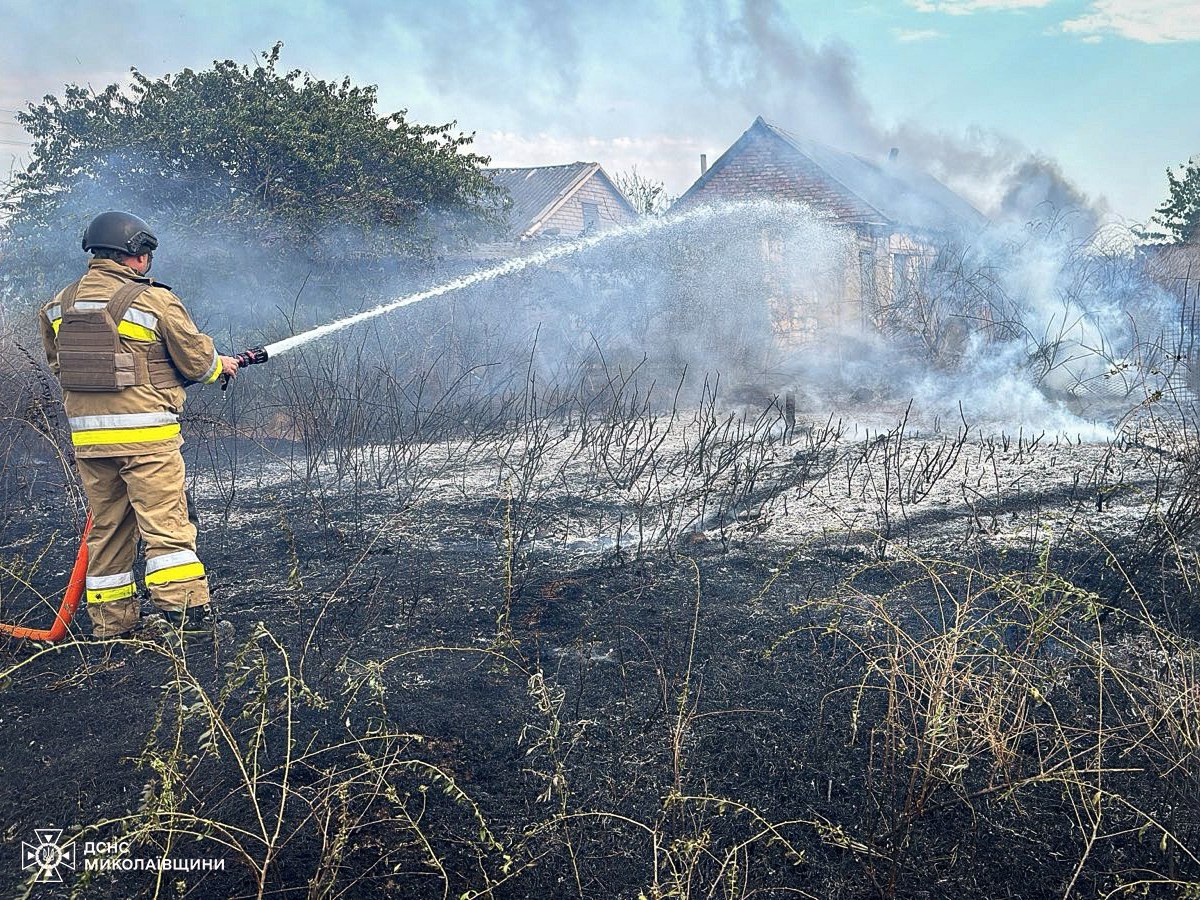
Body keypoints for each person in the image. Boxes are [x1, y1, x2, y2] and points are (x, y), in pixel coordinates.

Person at [37, 211, 240, 639]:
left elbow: (61, 367)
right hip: (147, 440)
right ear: (137, 254)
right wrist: (220, 365)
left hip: (90, 442)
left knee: (108, 528)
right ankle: (185, 616)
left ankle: (111, 623)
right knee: (166, 524)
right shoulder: (154, 301)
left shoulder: (58, 305)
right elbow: (198, 363)